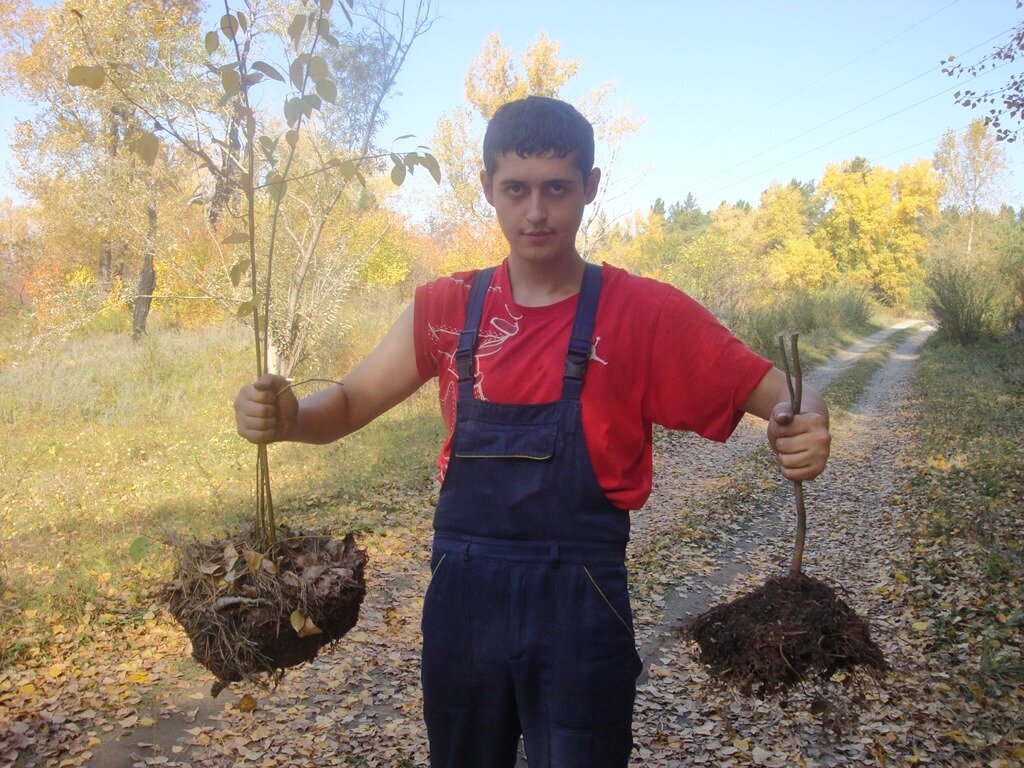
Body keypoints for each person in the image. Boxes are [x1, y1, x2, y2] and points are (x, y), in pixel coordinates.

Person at [234, 96, 831, 768]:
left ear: (591, 189)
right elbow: (344, 405)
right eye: (515, 189)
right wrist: (287, 421)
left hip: (581, 607)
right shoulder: (445, 309)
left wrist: (807, 424)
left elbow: (785, 395)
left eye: (557, 188)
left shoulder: (643, 313)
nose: (536, 211)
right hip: (463, 607)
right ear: (488, 188)